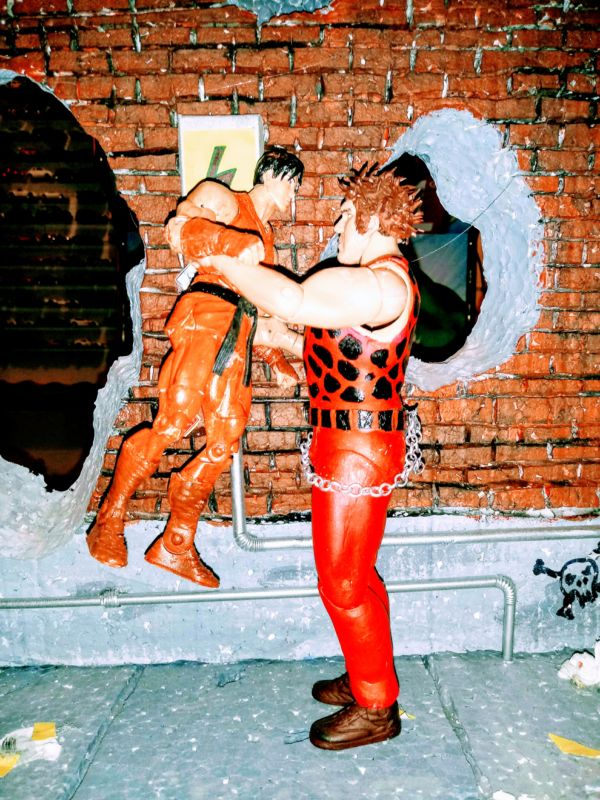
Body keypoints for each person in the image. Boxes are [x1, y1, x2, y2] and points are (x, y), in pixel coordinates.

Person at [201, 163, 423, 750]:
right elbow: (348, 355)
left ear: (373, 217)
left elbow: (294, 297)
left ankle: (376, 706)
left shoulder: (380, 284)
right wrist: (285, 339)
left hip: (356, 448)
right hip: (350, 442)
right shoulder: (375, 284)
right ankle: (369, 672)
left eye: (346, 216)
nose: (338, 228)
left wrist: (219, 255)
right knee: (356, 577)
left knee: (343, 584)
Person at [86, 146, 304, 588]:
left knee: (224, 441)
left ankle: (176, 543)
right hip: (205, 317)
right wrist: (232, 243)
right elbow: (179, 228)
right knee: (173, 423)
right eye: (293, 186)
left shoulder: (267, 241)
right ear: (273, 175)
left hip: (238, 335)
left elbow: (259, 308)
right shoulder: (225, 199)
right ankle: (109, 519)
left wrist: (276, 358)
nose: (294, 197)